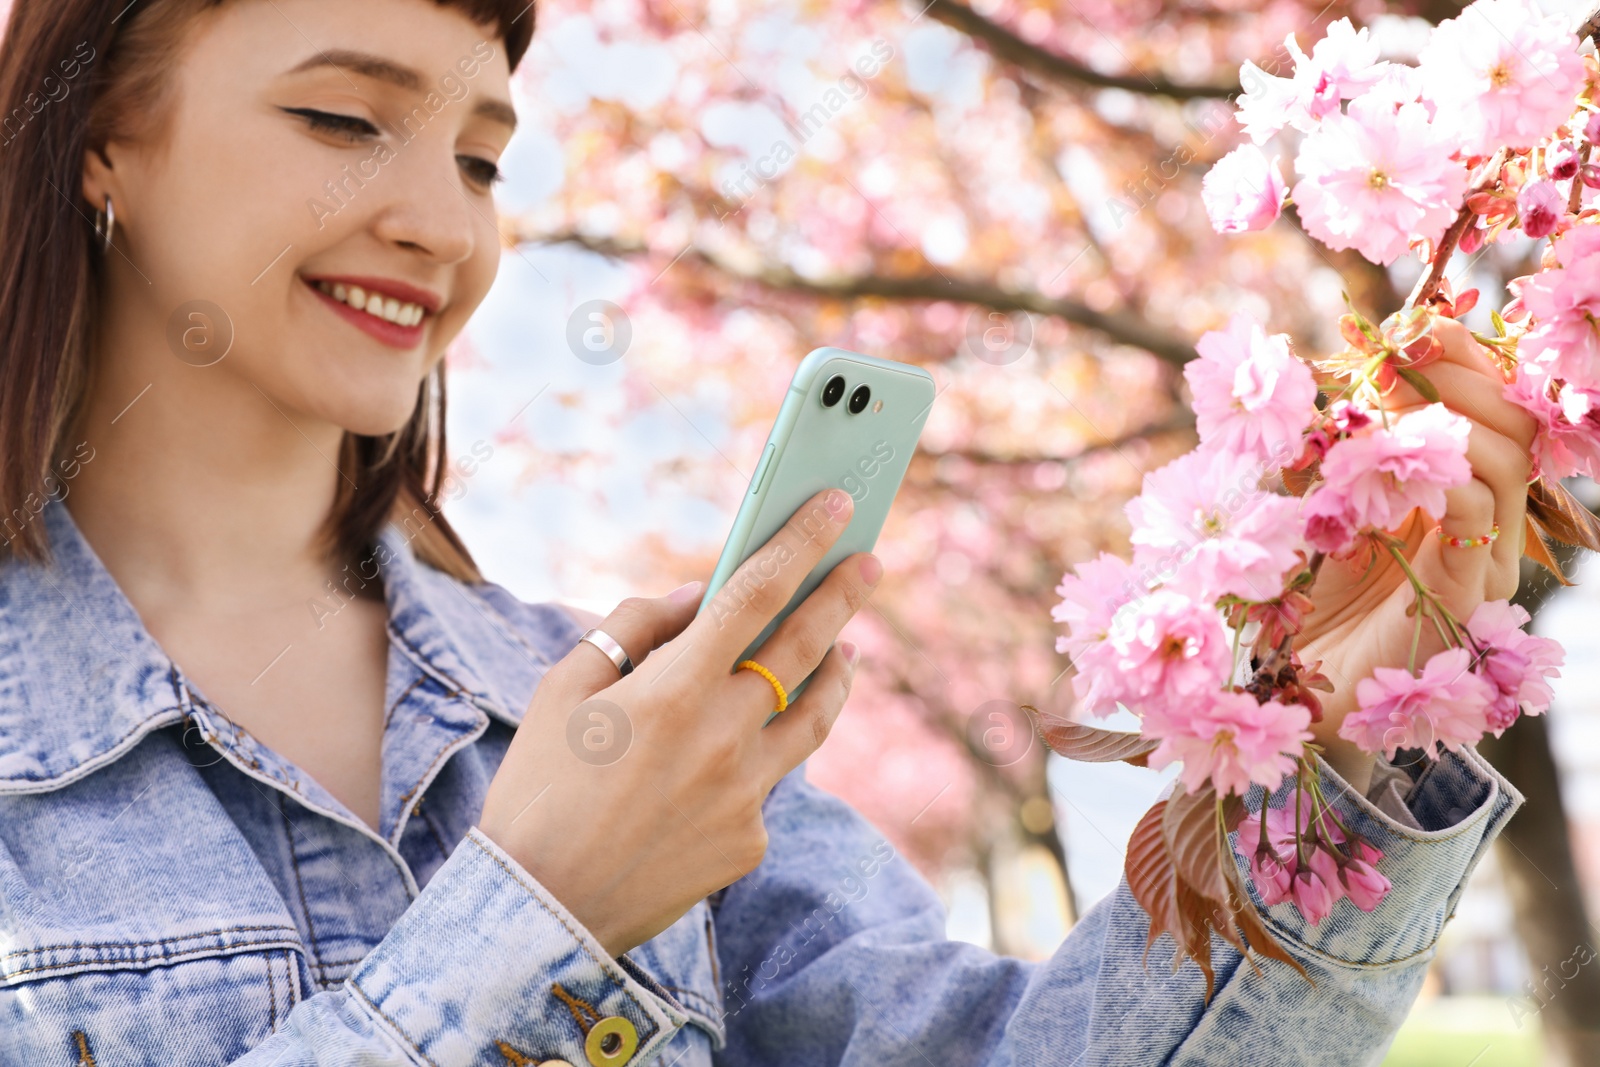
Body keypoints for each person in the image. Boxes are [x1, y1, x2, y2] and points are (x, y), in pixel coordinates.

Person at [0, 1, 1534, 1064]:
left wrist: (1326, 751)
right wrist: (541, 918)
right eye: (345, 118)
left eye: (479, 156)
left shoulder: (616, 715)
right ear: (99, 142)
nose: (443, 224)